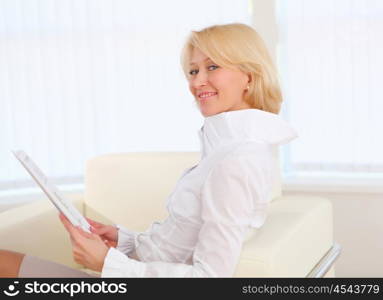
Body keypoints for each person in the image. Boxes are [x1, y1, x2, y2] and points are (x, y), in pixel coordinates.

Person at [0, 22, 298, 278]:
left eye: (212, 67)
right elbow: (177, 244)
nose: (197, 81)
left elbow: (209, 278)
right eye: (193, 71)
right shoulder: (225, 150)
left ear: (249, 75)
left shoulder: (238, 160)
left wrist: (108, 263)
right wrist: (122, 240)